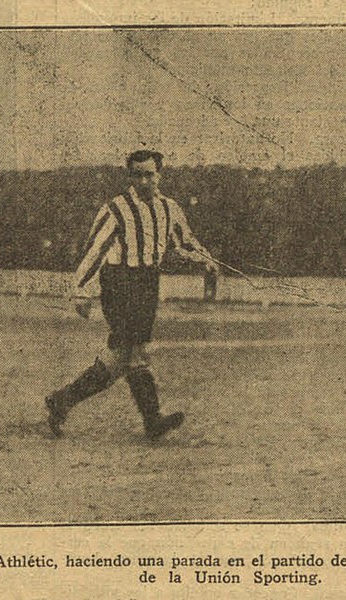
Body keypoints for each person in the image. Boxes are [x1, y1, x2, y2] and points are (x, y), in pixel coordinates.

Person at [46, 150, 219, 439]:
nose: (143, 181)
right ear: (129, 177)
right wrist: (81, 290)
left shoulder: (169, 208)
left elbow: (183, 242)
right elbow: (95, 249)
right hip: (119, 283)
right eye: (137, 174)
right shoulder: (116, 208)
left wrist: (207, 259)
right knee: (135, 352)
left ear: (159, 176)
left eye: (149, 174)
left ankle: (62, 400)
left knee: (120, 357)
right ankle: (153, 420)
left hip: (148, 283)